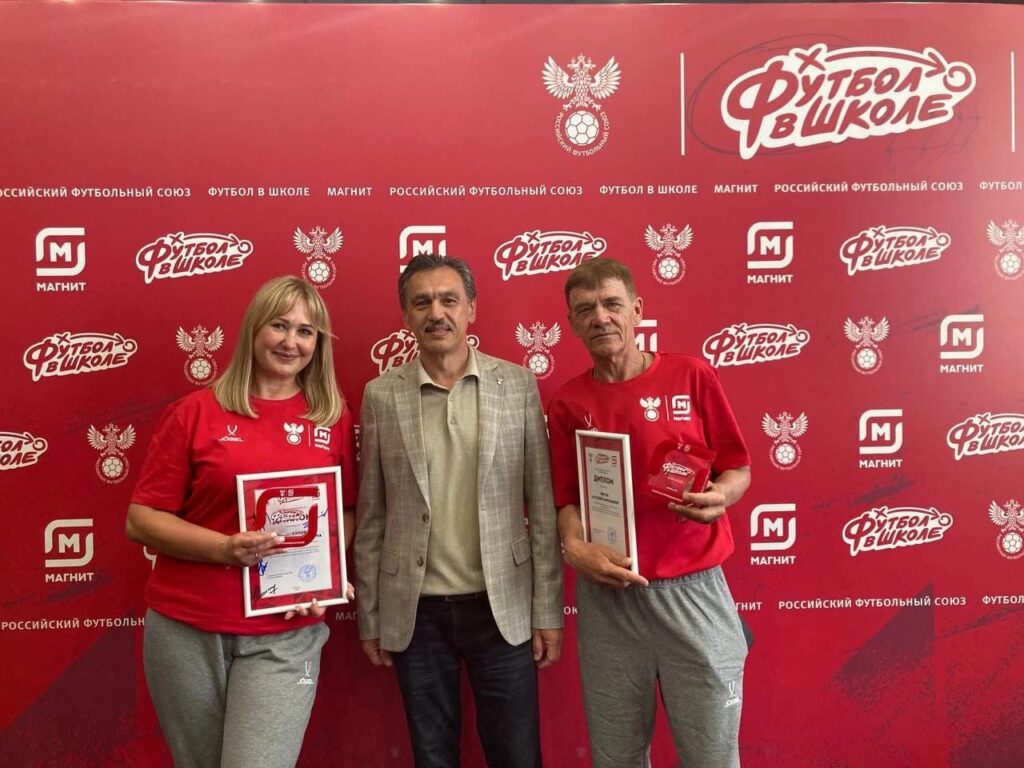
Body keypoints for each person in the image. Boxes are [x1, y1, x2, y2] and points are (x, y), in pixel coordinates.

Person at [126, 276, 357, 768]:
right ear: (254, 328)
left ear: (318, 344)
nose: (291, 341)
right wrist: (223, 548)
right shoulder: (194, 413)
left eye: (306, 331)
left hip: (286, 632)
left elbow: (345, 512)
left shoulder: (333, 418)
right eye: (279, 325)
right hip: (188, 627)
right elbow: (142, 520)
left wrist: (325, 574)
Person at [355, 254, 563, 768]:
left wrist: (546, 611)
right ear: (406, 316)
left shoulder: (516, 385)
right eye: (422, 302)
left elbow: (542, 507)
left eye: (449, 299)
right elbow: (372, 517)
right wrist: (371, 616)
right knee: (433, 758)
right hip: (416, 614)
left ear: (471, 308)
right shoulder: (381, 396)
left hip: (502, 608)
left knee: (517, 756)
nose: (436, 313)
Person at [546, 258, 752, 768]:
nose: (601, 317)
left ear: (637, 310)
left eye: (612, 304)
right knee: (615, 758)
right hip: (610, 598)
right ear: (572, 324)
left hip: (693, 592)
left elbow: (738, 468)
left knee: (712, 757)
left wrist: (722, 496)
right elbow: (566, 499)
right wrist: (574, 547)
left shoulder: (692, 375)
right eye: (585, 310)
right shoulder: (569, 403)